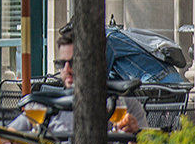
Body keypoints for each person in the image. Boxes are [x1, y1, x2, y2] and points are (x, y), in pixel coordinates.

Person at [8, 23, 143, 137]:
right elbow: (7, 137)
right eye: (61, 63)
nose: (67, 69)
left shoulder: (124, 106)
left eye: (74, 62)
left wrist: (134, 135)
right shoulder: (44, 105)